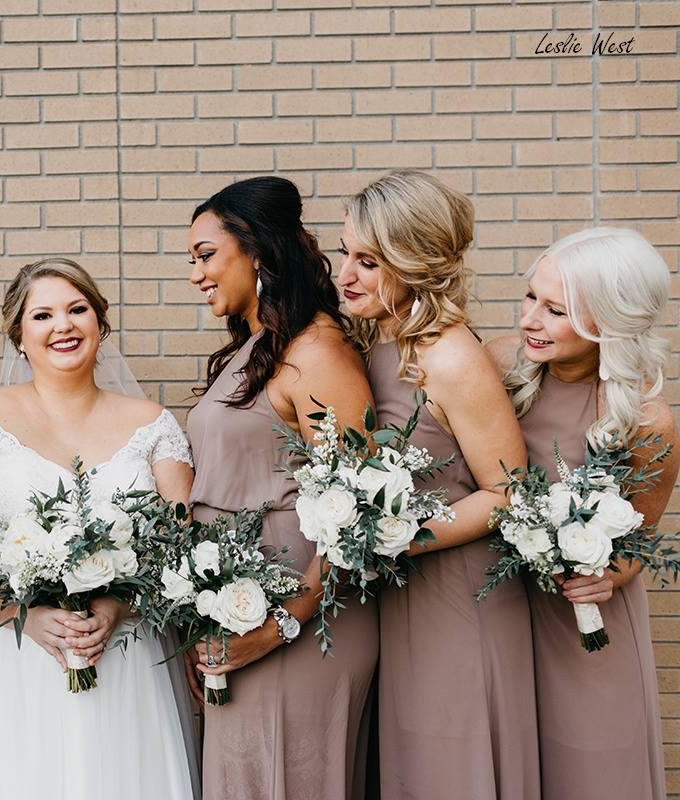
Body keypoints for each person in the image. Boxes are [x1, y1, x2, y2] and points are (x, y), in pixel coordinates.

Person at [0, 258, 195, 800]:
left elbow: (177, 544)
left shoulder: (153, 425)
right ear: (19, 336)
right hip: (9, 653)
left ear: (100, 322)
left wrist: (116, 608)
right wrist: (23, 616)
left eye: (77, 309)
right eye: (43, 315)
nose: (64, 326)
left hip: (122, 652)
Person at [338, 170, 539, 797]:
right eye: (345, 253)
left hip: (459, 602)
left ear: (415, 264)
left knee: (452, 769)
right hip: (398, 601)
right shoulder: (373, 341)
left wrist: (397, 537)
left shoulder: (449, 357)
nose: (345, 274)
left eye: (368, 261)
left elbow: (510, 492)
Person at [185, 177, 378, 800]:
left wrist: (276, 627)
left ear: (258, 252)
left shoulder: (317, 352)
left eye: (206, 255)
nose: (197, 274)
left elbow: (357, 511)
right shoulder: (257, 348)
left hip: (302, 619)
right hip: (239, 611)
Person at [486, 227, 675, 800]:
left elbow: (639, 541)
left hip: (583, 625)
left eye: (555, 310)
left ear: (609, 322)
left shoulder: (646, 420)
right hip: (500, 610)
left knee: (591, 774)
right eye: (531, 297)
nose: (529, 321)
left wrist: (607, 576)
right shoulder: (499, 364)